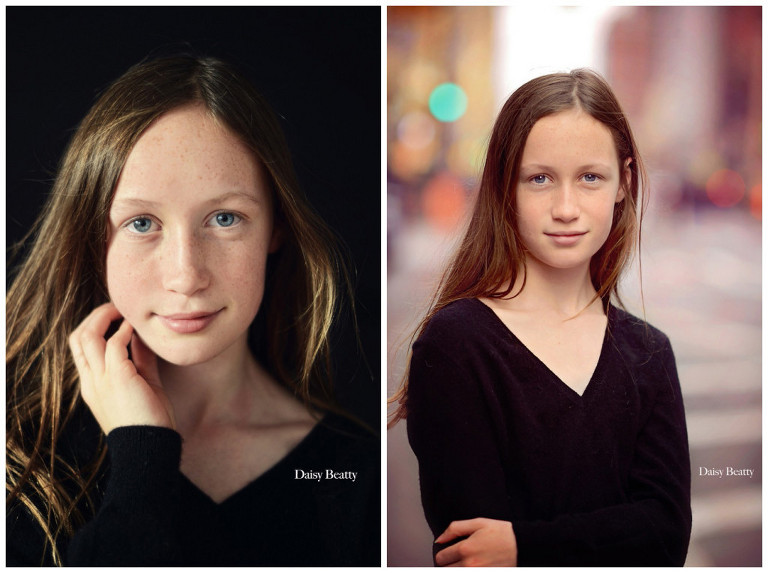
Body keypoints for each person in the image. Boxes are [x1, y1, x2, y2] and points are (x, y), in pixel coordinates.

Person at [6, 55, 379, 566]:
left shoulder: (353, 471)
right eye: (141, 223)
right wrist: (142, 455)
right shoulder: (18, 461)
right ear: (93, 239)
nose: (186, 276)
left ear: (276, 227)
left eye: (225, 218)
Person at [389, 69, 691, 566]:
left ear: (624, 183)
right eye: (540, 179)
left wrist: (525, 545)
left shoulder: (650, 352)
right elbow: (473, 552)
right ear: (505, 187)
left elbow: (666, 535)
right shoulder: (456, 345)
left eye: (590, 177)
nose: (566, 208)